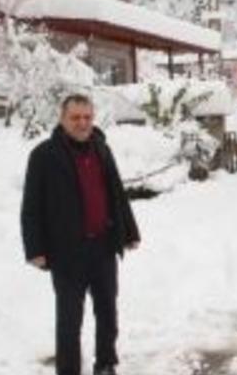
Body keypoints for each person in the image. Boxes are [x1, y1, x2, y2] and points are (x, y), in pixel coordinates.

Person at [21, 94, 140, 375]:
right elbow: (31, 206)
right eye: (75, 117)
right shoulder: (43, 155)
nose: (82, 123)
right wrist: (35, 249)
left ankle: (106, 363)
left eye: (87, 117)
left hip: (103, 247)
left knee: (108, 313)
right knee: (69, 320)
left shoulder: (101, 148)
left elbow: (117, 194)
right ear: (62, 119)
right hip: (66, 253)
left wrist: (129, 232)